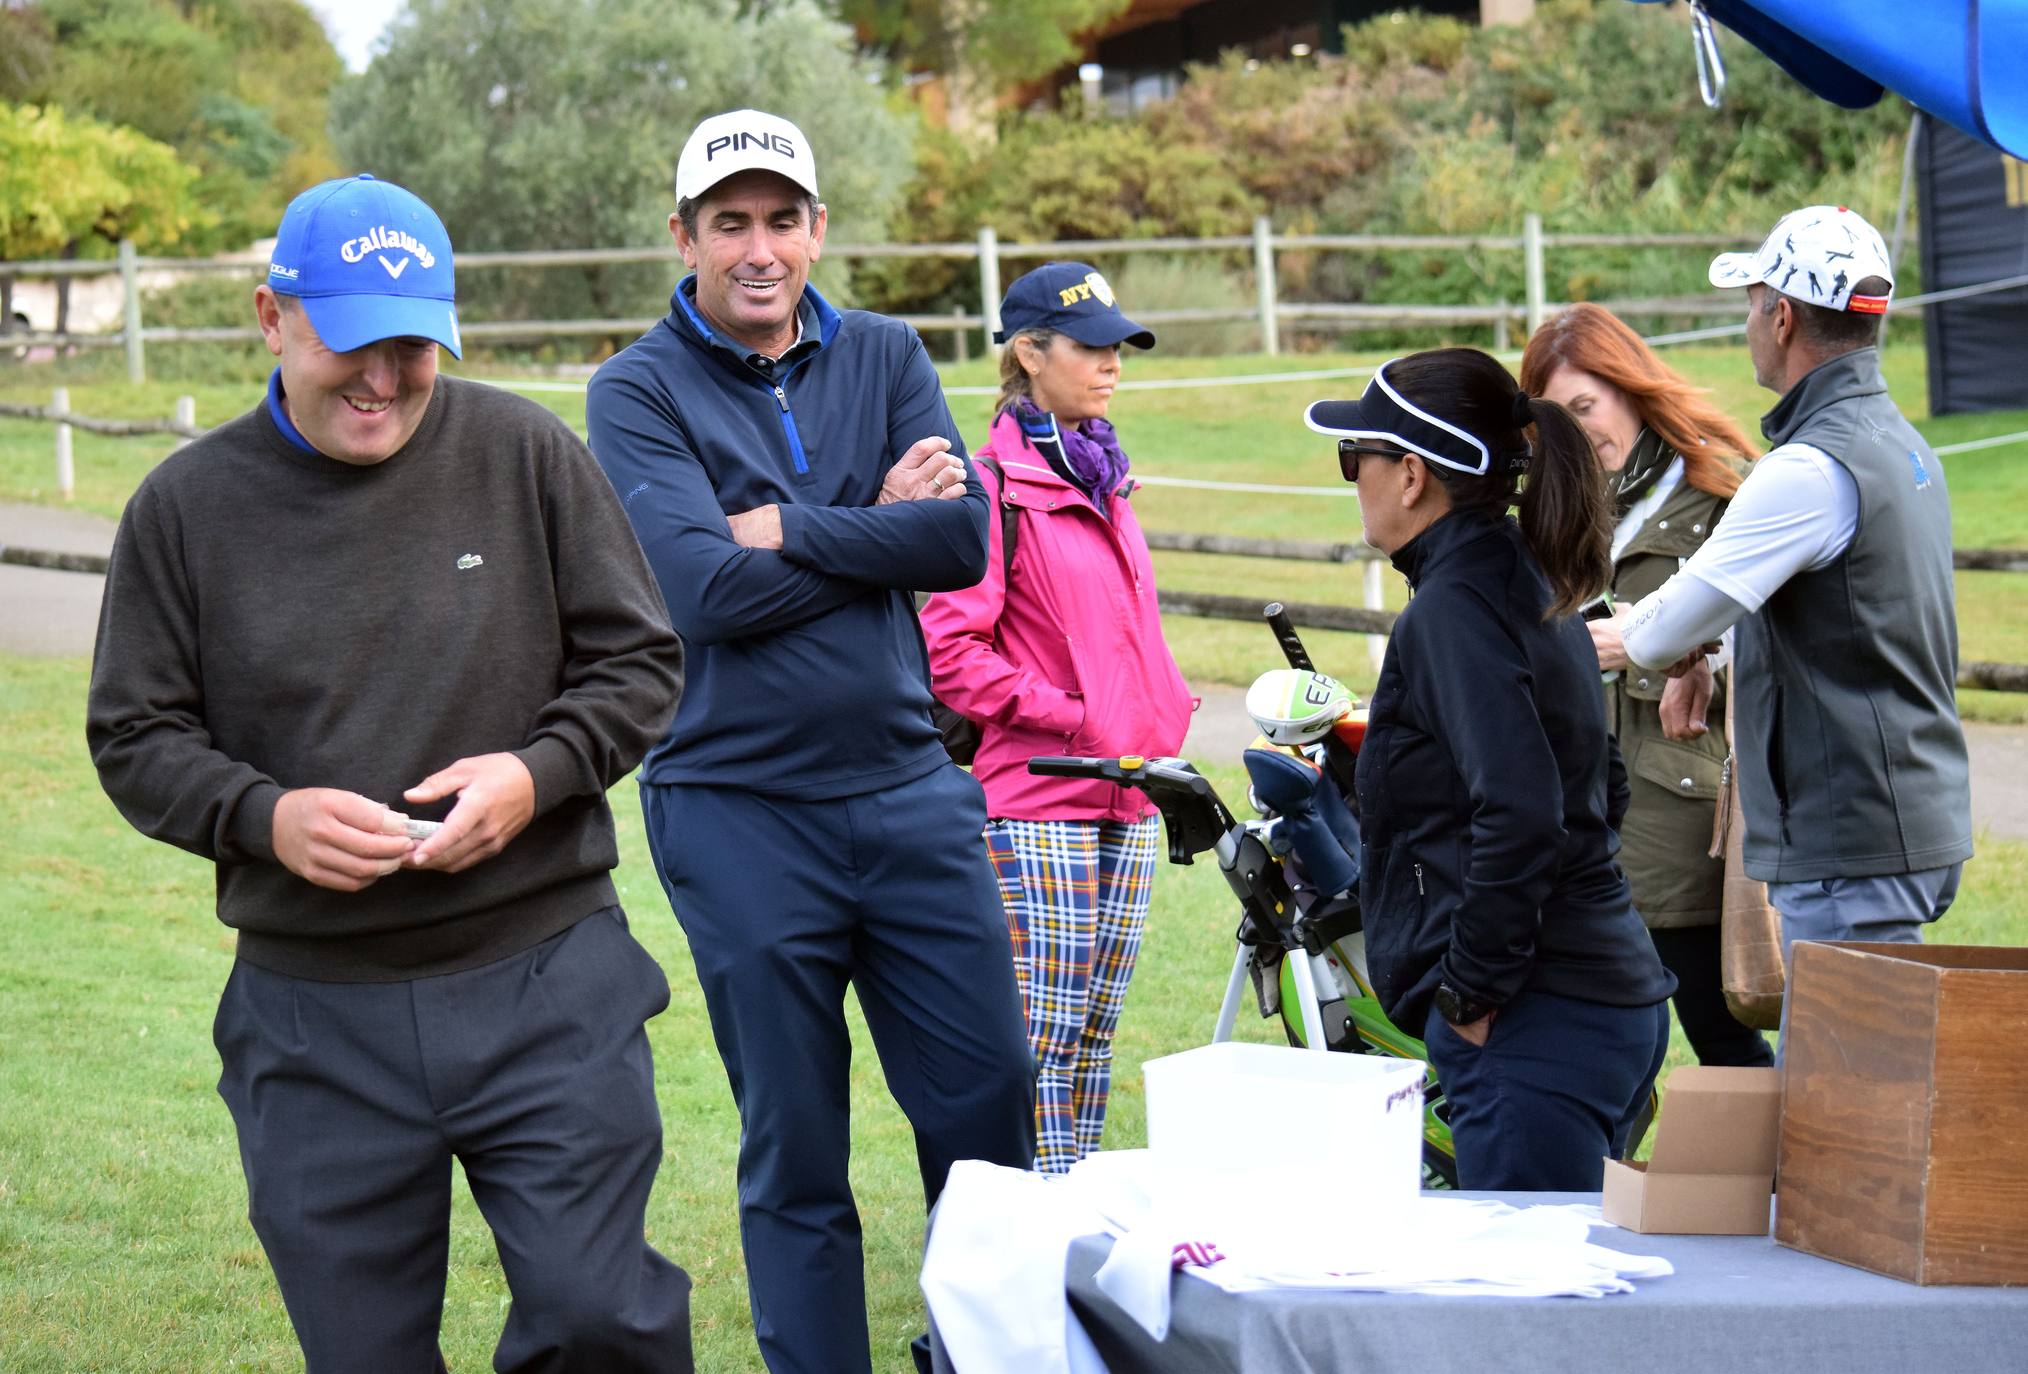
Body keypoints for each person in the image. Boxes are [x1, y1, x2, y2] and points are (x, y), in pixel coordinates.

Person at [86, 174, 694, 1372]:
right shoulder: (182, 510)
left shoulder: (526, 452)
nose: (383, 377)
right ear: (273, 317)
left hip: (546, 982)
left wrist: (536, 775)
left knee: (597, 1321)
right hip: (314, 1017)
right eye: (354, 343)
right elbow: (135, 735)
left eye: (413, 346)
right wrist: (258, 816)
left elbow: (639, 663)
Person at [583, 109, 1033, 1374]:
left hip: (908, 792)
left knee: (989, 1103)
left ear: (818, 229)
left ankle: (978, 1356)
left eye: (783, 220)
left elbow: (959, 543)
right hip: (738, 809)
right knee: (796, 1135)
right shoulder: (634, 390)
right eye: (731, 223)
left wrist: (782, 527)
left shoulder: (887, 353)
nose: (760, 248)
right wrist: (865, 519)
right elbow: (699, 594)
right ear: (685, 237)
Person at [1304, 348, 1676, 1192]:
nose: (1349, 476)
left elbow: (1524, 810)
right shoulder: (1527, 577)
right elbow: (1600, 781)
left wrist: (1470, 997)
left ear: (1409, 476)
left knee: (1531, 1309)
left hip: (1535, 1021)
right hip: (1596, 995)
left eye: (1353, 454)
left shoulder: (1454, 608)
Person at [1612, 206, 1972, 977]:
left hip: (1854, 836)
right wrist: (1708, 649)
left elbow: (1655, 633)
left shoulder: (1807, 468)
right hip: (1901, 814)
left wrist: (1649, 641)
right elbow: (1843, 608)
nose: (1747, 321)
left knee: (1845, 1083)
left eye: (1751, 301)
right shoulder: (1898, 444)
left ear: (1780, 317)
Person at [919, 263, 1196, 1176]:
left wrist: (1161, 706)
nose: (1111, 363)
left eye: (1119, 346)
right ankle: (1007, 1247)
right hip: (1040, 798)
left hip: (1128, 789)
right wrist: (1072, 718)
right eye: (1091, 346)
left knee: (1092, 1036)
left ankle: (1065, 1226)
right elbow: (951, 651)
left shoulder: (1106, 478)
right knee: (1037, 1037)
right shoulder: (993, 486)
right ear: (1029, 353)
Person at [1521, 304, 1774, 1070]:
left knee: (1718, 1026)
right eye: (1554, 419)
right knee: (1589, 1037)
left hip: (1676, 803)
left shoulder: (1725, 492)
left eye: (1586, 407)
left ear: (1630, 387)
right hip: (1576, 807)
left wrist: (1674, 650)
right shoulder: (1559, 505)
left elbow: (1773, 639)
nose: (1577, 431)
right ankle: (1611, 1187)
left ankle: (1767, 1187)